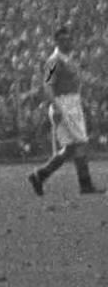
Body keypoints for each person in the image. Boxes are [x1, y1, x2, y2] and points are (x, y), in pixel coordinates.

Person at [27, 27, 99, 196]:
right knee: (80, 143)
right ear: (57, 42)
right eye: (64, 39)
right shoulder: (54, 61)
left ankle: (40, 175)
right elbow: (47, 85)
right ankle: (85, 185)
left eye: (70, 39)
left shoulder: (67, 59)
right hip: (64, 104)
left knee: (70, 149)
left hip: (71, 102)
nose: (68, 42)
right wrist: (57, 106)